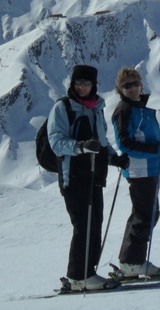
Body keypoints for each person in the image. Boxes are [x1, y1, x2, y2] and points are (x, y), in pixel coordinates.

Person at [47, 64, 129, 291]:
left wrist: (114, 159)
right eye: (77, 82)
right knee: (83, 225)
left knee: (94, 225)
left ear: (94, 85)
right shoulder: (63, 108)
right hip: (72, 176)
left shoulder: (95, 108)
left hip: (94, 176)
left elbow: (101, 143)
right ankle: (77, 276)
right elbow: (56, 141)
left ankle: (88, 272)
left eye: (86, 82)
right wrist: (81, 146)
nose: (81, 86)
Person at [111, 67, 160, 278]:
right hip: (140, 171)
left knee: (146, 214)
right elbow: (124, 144)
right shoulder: (125, 110)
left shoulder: (137, 108)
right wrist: (157, 150)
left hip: (149, 168)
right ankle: (132, 262)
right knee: (144, 215)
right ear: (120, 89)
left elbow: (146, 138)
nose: (132, 88)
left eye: (135, 84)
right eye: (127, 86)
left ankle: (130, 261)